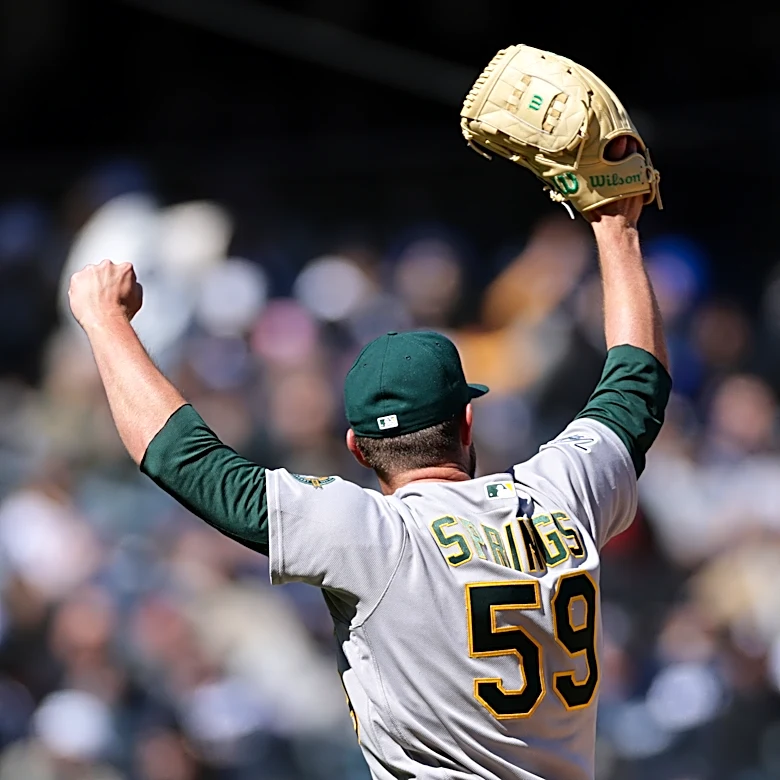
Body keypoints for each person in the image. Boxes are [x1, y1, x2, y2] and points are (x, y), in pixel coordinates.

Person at [68, 193, 670, 780]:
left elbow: (186, 461)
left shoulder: (374, 538)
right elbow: (636, 384)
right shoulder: (560, 495)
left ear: (357, 448)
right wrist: (615, 226)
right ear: (466, 420)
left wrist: (105, 322)